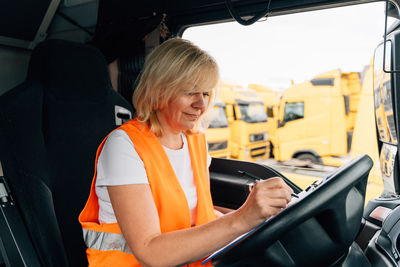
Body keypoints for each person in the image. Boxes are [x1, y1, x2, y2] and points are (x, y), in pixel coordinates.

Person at [79, 37, 293, 267]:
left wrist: (260, 214)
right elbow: (151, 252)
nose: (201, 104)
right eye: (191, 92)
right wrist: (242, 219)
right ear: (158, 90)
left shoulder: (194, 141)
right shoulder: (123, 147)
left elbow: (195, 213)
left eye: (206, 94)